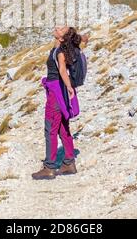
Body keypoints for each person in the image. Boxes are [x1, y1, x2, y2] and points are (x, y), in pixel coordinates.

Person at [32, 26, 88, 180]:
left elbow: (62, 70)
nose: (57, 28)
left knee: (50, 129)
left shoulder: (61, 52)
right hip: (58, 90)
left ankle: (49, 167)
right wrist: (82, 37)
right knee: (63, 127)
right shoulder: (60, 48)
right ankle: (69, 163)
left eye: (61, 29)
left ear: (62, 38)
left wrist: (70, 88)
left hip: (56, 93)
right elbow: (81, 38)